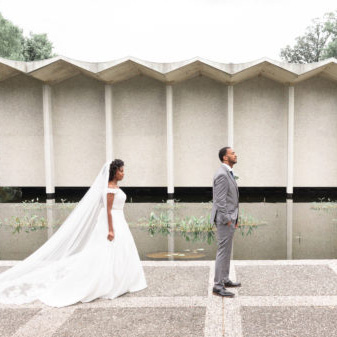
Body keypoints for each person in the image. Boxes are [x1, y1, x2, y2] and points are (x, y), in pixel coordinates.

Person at [0, 160, 147, 307]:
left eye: (123, 170)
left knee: (121, 249)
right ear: (114, 172)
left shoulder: (115, 187)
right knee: (107, 249)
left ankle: (122, 277)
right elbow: (108, 210)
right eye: (121, 170)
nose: (123, 173)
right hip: (112, 221)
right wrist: (110, 229)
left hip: (119, 220)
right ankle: (108, 280)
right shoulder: (109, 190)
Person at [211, 147, 241, 298]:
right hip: (224, 219)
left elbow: (232, 199)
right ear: (225, 157)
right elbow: (220, 201)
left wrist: (236, 218)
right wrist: (228, 219)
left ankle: (225, 279)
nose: (235, 155)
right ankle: (217, 285)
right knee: (223, 251)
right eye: (232, 153)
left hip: (231, 218)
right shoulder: (222, 174)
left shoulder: (228, 172)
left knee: (227, 250)